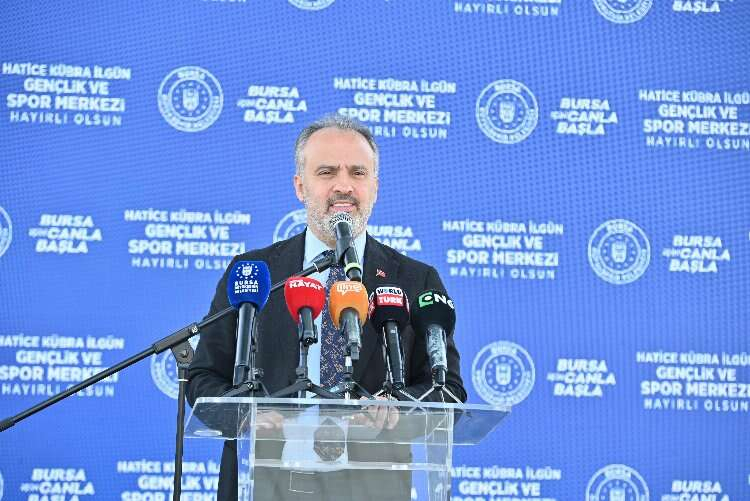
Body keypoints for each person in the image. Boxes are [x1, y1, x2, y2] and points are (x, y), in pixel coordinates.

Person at [187, 114, 466, 500]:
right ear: (300, 186)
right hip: (267, 483)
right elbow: (203, 378)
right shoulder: (255, 274)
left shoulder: (415, 280)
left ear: (375, 187)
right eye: (327, 172)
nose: (343, 186)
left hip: (373, 488)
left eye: (358, 172)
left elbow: (447, 391)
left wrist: (399, 410)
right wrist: (246, 414)